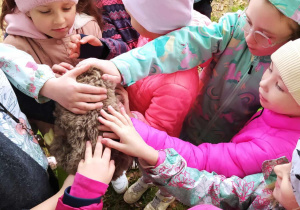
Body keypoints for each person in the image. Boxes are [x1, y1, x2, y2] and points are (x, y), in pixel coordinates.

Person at [97, 38, 300, 209]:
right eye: (269, 69)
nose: (262, 83)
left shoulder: (276, 152)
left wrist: (135, 127)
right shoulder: (282, 114)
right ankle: (149, 182)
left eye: (280, 86)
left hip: (195, 162)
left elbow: (206, 165)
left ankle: (163, 195)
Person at [78, 0, 300, 148]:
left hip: (224, 140)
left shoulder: (289, 70)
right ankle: (148, 182)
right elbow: (185, 43)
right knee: (168, 154)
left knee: (186, 165)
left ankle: (163, 197)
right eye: (249, 22)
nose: (249, 38)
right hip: (188, 117)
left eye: (264, 35)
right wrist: (123, 66)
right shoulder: (233, 28)